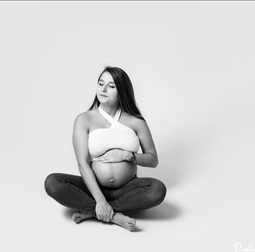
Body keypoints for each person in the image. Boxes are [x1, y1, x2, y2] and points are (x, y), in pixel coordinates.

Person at [44, 66, 167, 232]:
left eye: (111, 86)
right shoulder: (84, 119)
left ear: (122, 91)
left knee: (157, 190)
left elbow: (153, 159)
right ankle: (113, 215)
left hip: (127, 189)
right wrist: (100, 200)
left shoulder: (136, 121)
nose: (103, 89)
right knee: (53, 182)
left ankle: (93, 211)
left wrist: (128, 155)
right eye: (100, 83)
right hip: (93, 188)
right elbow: (83, 164)